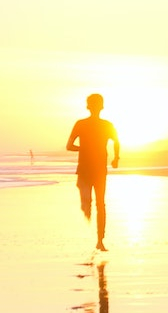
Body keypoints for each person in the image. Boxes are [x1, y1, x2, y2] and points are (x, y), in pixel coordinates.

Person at [66, 93, 120, 251]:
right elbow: (117, 142)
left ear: (88, 106)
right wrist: (116, 158)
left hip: (87, 168)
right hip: (98, 169)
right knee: (100, 204)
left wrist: (83, 148)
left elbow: (69, 146)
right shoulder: (107, 125)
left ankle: (86, 206)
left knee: (93, 202)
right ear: (102, 106)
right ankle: (100, 241)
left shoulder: (81, 124)